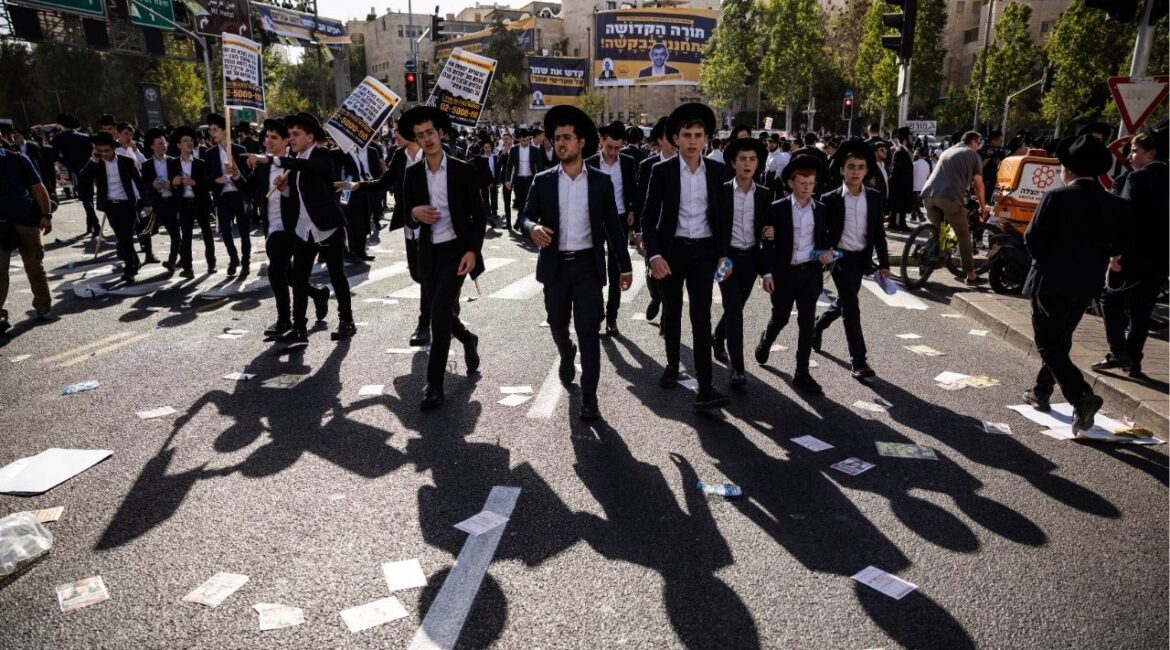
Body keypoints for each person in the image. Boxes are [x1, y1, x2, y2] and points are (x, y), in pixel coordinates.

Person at [523, 105, 634, 420]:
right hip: (555, 268)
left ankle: (589, 396)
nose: (560, 143)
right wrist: (533, 228)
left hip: (587, 267)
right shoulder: (543, 180)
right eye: (557, 138)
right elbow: (525, 216)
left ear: (581, 142)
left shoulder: (600, 182)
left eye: (567, 138)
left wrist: (625, 267)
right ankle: (565, 352)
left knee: (589, 332)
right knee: (558, 325)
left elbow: (613, 226)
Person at [1023, 134, 1128, 434]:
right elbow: (1121, 243)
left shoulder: (1057, 197)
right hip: (1087, 283)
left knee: (1047, 342)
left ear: (1068, 168)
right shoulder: (1113, 204)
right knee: (1061, 338)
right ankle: (1041, 391)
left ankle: (1081, 396)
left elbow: (1033, 239)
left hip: (1051, 281)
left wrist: (1049, 262)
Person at [642, 102, 732, 410]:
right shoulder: (662, 171)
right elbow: (648, 218)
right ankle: (671, 364)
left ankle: (705, 386)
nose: (692, 141)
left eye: (698, 135)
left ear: (706, 138)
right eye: (686, 135)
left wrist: (723, 256)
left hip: (704, 252)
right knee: (672, 311)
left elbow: (722, 219)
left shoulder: (718, 171)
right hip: (672, 251)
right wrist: (653, 255)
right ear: (676, 138)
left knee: (702, 315)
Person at [396, 106, 486, 411]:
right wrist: (414, 213)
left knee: (437, 312)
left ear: (441, 133)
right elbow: (405, 213)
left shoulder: (463, 170)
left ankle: (434, 384)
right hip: (428, 253)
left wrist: (473, 250)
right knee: (442, 313)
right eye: (420, 136)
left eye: (430, 132)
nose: (426, 139)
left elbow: (479, 215)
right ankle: (468, 338)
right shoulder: (411, 174)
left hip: (457, 253)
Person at [246, 112, 355, 344]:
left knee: (337, 276)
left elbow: (310, 167)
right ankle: (298, 328)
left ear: (310, 136)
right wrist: (283, 187)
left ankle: (346, 320)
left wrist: (271, 159)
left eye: (296, 134)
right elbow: (294, 196)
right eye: (290, 134)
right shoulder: (294, 163)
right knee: (299, 276)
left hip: (327, 227)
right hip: (303, 229)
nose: (292, 138)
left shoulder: (321, 156)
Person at [754, 155, 839, 394]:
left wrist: (826, 253)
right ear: (791, 183)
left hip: (809, 274)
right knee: (780, 317)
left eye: (811, 183)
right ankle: (767, 339)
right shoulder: (777, 208)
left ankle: (802, 372)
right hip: (784, 274)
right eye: (802, 183)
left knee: (806, 323)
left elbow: (827, 238)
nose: (807, 188)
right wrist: (767, 273)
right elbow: (766, 245)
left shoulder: (821, 210)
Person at [811, 140, 890, 379]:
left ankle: (818, 326)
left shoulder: (874, 198)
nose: (855, 171)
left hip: (861, 259)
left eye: (860, 167)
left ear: (867, 171)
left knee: (846, 301)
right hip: (840, 258)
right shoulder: (830, 198)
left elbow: (878, 233)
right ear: (842, 170)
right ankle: (859, 361)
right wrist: (821, 254)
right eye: (851, 167)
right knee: (851, 308)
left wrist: (885, 264)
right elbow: (820, 232)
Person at [1093, 128, 1167, 380]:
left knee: (1109, 299)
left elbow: (1126, 217)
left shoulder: (1137, 179)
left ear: (1151, 153)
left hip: (1132, 255)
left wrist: (1115, 252)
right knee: (1142, 310)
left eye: (1136, 150)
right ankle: (1133, 361)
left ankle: (1117, 352)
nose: (1131, 156)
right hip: (1160, 259)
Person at [712, 137, 772, 386]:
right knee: (734, 308)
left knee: (737, 306)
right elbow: (714, 226)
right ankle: (738, 366)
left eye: (752, 159)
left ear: (757, 164)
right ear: (733, 163)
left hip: (751, 259)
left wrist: (771, 231)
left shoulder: (766, 194)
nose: (747, 164)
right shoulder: (722, 191)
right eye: (742, 159)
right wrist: (719, 256)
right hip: (726, 258)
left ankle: (717, 336)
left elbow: (768, 229)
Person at [238, 118, 305, 338]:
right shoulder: (263, 166)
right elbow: (247, 188)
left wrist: (285, 189)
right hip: (271, 226)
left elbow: (300, 198)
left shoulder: (295, 165)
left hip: (290, 227)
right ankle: (317, 293)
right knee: (287, 274)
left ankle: (284, 319)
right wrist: (234, 174)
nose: (268, 140)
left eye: (274, 137)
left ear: (286, 141)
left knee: (276, 271)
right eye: (266, 136)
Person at [585, 121, 637, 336]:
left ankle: (612, 317)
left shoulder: (627, 162)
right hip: (595, 221)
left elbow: (632, 188)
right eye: (610, 147)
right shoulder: (590, 163)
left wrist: (632, 209)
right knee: (596, 269)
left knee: (616, 270)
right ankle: (597, 314)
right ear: (601, 142)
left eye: (618, 148)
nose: (614, 152)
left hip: (620, 219)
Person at [0, 134, 55, 333]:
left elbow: (38, 188)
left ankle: (43, 305)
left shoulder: (17, 159)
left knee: (34, 265)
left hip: (25, 220)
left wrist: (46, 214)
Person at [79, 132, 151, 283]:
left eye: (107, 151)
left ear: (113, 148)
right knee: (122, 237)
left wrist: (146, 203)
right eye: (101, 151)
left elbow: (139, 182)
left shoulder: (126, 162)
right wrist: (92, 159)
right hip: (110, 206)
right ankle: (134, 261)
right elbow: (83, 178)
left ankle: (129, 270)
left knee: (126, 236)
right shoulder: (96, 163)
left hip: (127, 205)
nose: (104, 154)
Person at [920, 131, 989, 286]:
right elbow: (978, 184)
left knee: (941, 230)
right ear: (973, 142)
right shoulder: (972, 154)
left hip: (928, 195)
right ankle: (971, 275)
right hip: (949, 198)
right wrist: (983, 206)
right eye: (978, 143)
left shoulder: (948, 150)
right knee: (963, 234)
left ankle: (927, 259)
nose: (978, 146)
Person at [635, 116, 675, 326]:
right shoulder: (648, 165)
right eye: (670, 137)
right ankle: (655, 297)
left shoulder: (686, 165)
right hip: (652, 228)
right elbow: (641, 198)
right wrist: (639, 230)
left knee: (672, 277)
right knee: (652, 272)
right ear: (660, 140)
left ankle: (667, 321)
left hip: (675, 232)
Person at [202, 112, 251, 276]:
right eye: (211, 130)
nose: (212, 133)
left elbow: (248, 176)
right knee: (225, 232)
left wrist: (237, 174)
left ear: (224, 131)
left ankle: (246, 262)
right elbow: (206, 177)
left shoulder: (240, 150)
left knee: (245, 233)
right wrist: (217, 180)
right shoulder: (210, 154)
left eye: (215, 129)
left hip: (239, 195)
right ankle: (233, 257)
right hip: (223, 197)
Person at [169, 126, 215, 277]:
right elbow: (169, 184)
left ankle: (211, 263)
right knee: (186, 236)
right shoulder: (173, 164)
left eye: (190, 140)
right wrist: (173, 182)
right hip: (184, 204)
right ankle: (188, 268)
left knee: (207, 234)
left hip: (200, 202)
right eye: (185, 141)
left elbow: (208, 183)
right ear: (178, 145)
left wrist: (194, 183)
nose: (189, 143)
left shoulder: (200, 163)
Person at [50, 113, 100, 235]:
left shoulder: (58, 138)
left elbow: (55, 155)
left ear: (61, 125)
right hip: (88, 168)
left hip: (74, 171)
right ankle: (90, 224)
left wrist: (66, 163)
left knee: (85, 199)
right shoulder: (84, 136)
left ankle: (95, 223)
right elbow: (92, 153)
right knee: (88, 197)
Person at [140, 128, 180, 273]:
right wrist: (152, 185)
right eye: (159, 143)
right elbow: (143, 184)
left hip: (172, 201)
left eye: (164, 142)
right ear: (152, 146)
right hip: (157, 203)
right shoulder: (147, 165)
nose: (163, 145)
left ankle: (172, 260)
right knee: (147, 230)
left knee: (175, 233)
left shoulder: (173, 161)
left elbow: (179, 179)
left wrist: (172, 183)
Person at [504, 127, 545, 227]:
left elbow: (539, 167)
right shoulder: (514, 150)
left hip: (530, 179)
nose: (526, 142)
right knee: (520, 200)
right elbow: (509, 166)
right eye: (524, 140)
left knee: (525, 201)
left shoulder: (535, 150)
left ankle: (520, 222)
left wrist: (542, 180)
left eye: (528, 140)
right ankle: (520, 220)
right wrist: (507, 180)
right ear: (519, 139)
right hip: (518, 179)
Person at [887, 127, 916, 231]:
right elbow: (895, 172)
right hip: (900, 187)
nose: (912, 138)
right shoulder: (900, 152)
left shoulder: (905, 151)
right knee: (898, 206)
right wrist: (896, 187)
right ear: (906, 138)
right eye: (910, 136)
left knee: (901, 206)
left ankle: (898, 223)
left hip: (904, 186)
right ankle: (898, 224)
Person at [473, 139, 500, 225]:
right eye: (485, 147)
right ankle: (488, 213)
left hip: (493, 180)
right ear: (483, 148)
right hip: (484, 181)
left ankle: (494, 212)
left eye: (489, 147)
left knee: (494, 196)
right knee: (485, 198)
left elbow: (498, 169)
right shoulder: (482, 158)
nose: (487, 149)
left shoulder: (495, 157)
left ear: (491, 148)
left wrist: (496, 180)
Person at [497, 132, 515, 229]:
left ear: (511, 139)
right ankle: (508, 223)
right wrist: (504, 153)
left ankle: (520, 222)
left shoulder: (517, 149)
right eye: (503, 139)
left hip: (517, 179)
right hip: (506, 179)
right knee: (507, 202)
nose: (505, 141)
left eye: (507, 138)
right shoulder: (502, 151)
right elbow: (499, 164)